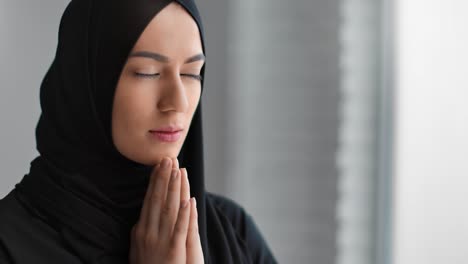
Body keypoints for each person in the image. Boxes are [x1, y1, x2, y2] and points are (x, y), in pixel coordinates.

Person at [0, 0, 277, 263]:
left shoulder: (233, 232)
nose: (178, 102)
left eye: (192, 73)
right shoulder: (9, 243)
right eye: (147, 72)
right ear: (87, 83)